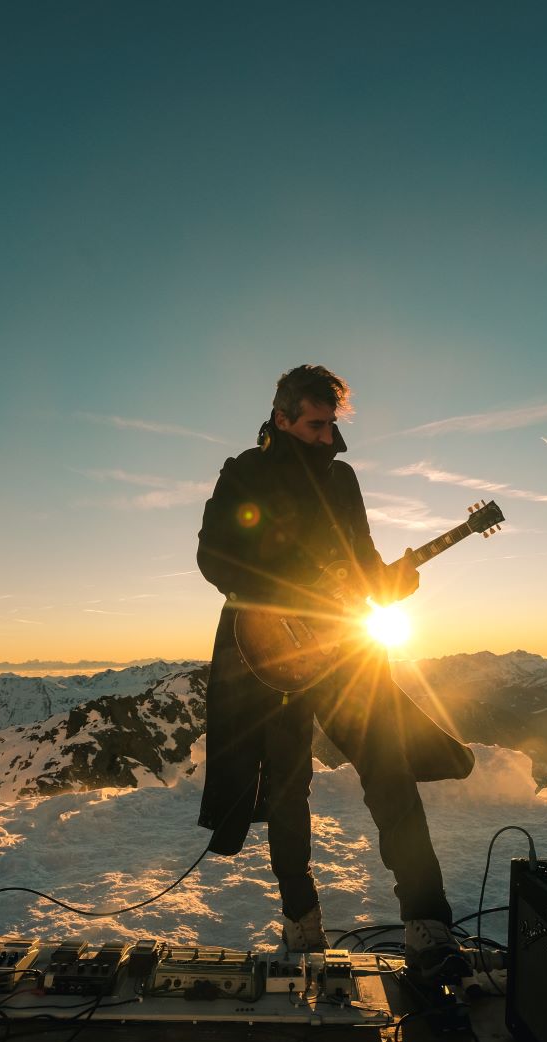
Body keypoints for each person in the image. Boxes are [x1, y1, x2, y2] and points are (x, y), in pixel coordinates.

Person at [196, 364, 474, 983]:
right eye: (317, 425)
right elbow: (213, 555)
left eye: (332, 425)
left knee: (390, 767)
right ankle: (302, 922)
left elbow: (364, 566)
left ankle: (428, 924)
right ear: (283, 418)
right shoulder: (245, 472)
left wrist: (394, 580)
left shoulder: (343, 481)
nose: (328, 437)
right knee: (286, 787)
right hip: (268, 652)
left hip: (346, 646)